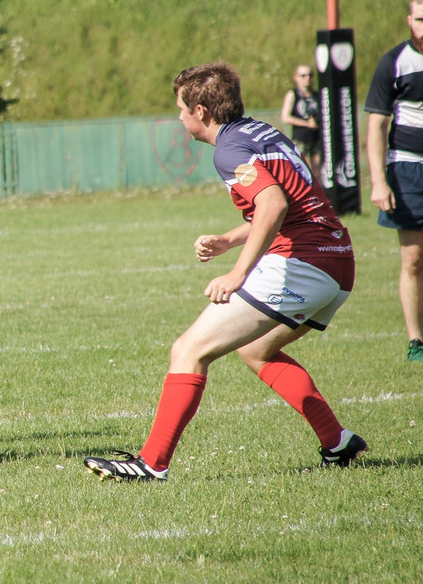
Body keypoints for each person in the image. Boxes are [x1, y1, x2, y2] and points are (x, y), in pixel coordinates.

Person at [83, 61, 364, 482]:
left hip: (304, 263)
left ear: (201, 111)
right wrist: (229, 239)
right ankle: (337, 441)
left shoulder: (228, 149)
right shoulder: (260, 132)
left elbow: (274, 205)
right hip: (337, 260)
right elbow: (291, 202)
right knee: (256, 351)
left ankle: (151, 463)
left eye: (181, 108)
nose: (179, 117)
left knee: (188, 351)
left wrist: (237, 274)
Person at [366, 0, 423, 363]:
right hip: (407, 169)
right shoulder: (395, 62)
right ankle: (416, 340)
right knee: (413, 258)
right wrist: (378, 180)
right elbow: (376, 126)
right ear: (409, 20)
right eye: (420, 19)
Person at [279, 63, 322, 175]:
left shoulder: (318, 95)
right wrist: (307, 124)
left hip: (317, 138)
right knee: (302, 172)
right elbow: (285, 117)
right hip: (300, 139)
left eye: (310, 75)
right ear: (296, 78)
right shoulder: (293, 94)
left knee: (318, 172)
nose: (307, 79)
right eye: (303, 75)